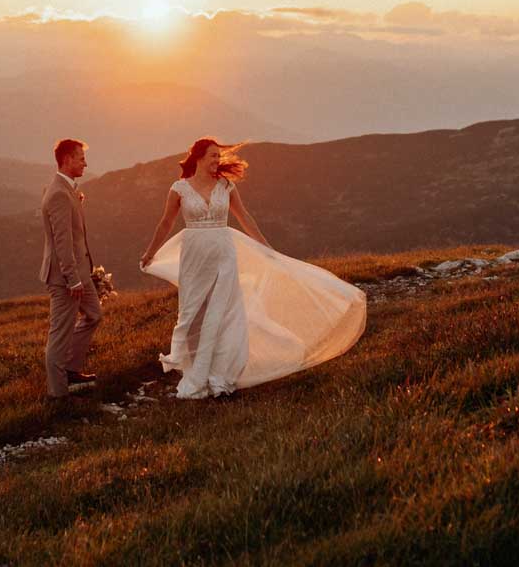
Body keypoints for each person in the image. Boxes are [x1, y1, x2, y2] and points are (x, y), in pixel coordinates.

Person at [139, 137, 366, 400]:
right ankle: (196, 372)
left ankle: (221, 376)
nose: (217, 161)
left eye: (218, 156)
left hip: (224, 253)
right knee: (192, 315)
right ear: (198, 157)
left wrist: (267, 248)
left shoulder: (226, 186)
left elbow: (244, 217)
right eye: (213, 156)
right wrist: (150, 252)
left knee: (224, 313)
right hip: (194, 257)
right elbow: (165, 223)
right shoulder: (179, 189)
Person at [38, 137, 101, 398]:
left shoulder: (68, 189)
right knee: (60, 332)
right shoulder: (58, 194)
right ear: (66, 160)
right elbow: (62, 242)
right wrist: (72, 278)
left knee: (94, 315)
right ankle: (58, 393)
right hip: (66, 277)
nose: (85, 162)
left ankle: (71, 370)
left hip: (80, 272)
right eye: (80, 157)